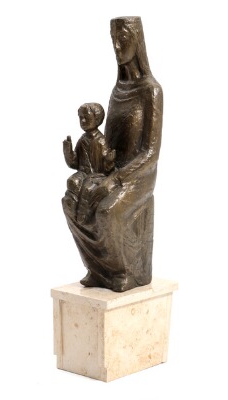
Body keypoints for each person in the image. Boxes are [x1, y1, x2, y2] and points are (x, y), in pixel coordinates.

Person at [62, 17, 163, 292]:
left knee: (107, 211)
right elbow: (107, 146)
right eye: (113, 40)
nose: (117, 47)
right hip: (111, 171)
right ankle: (97, 269)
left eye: (124, 39)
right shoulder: (117, 91)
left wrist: (115, 179)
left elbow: (151, 153)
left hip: (138, 175)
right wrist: (92, 169)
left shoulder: (151, 91)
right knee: (70, 203)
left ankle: (122, 272)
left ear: (137, 41)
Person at [63, 103, 115, 223]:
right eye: (80, 117)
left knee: (87, 188)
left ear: (97, 119)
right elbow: (74, 164)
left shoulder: (101, 141)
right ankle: (72, 210)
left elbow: (107, 170)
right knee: (72, 181)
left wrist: (109, 161)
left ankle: (83, 218)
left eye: (86, 117)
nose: (83, 121)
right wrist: (68, 151)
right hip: (83, 173)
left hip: (97, 176)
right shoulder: (82, 140)